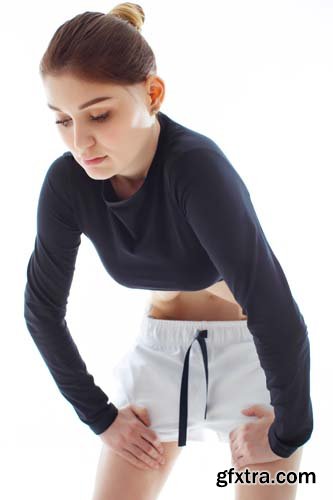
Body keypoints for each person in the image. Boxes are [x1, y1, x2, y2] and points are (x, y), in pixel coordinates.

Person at [24, 3, 313, 499]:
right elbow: (43, 312)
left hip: (252, 354)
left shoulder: (197, 169)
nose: (80, 141)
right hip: (161, 353)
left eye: (98, 114)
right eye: (62, 120)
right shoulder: (67, 185)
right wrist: (100, 417)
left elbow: (274, 309)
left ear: (152, 94)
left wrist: (289, 431)